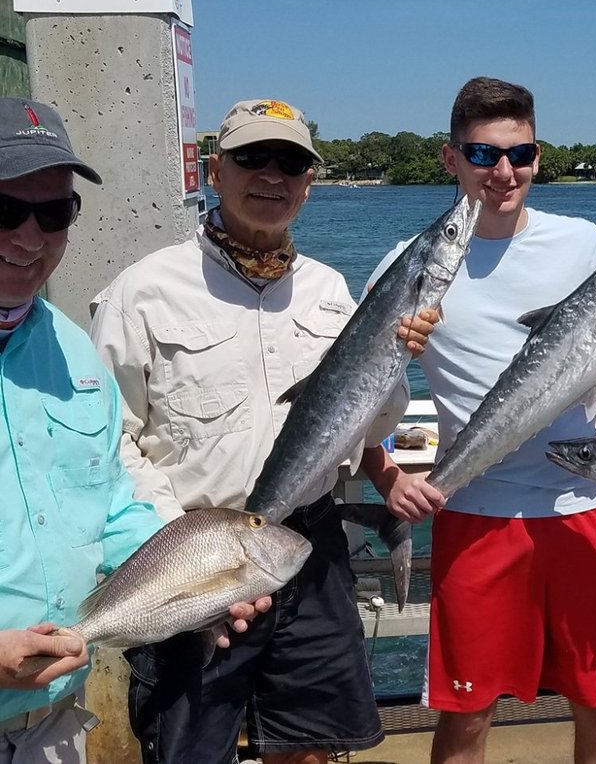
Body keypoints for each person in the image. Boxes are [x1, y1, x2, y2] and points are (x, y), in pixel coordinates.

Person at [89, 98, 434, 764]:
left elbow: (374, 428)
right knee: (189, 750)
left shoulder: (332, 292)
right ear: (216, 170)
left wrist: (395, 362)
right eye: (252, 158)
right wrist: (182, 539)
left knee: (311, 746)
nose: (272, 175)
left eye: (292, 162)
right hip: (189, 553)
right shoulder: (143, 291)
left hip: (310, 543)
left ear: (309, 181)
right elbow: (110, 440)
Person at [362, 76, 596, 764]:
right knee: (466, 713)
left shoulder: (583, 243)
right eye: (483, 155)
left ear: (539, 157)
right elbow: (358, 396)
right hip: (475, 512)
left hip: (582, 506)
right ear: (450, 158)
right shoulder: (408, 265)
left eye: (521, 153)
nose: (503, 172)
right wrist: (385, 473)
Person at [0, 96, 263, 763]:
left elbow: (110, 500)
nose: (29, 238)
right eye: (4, 210)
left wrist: (195, 578)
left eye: (54, 213)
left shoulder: (71, 351)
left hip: (54, 719)